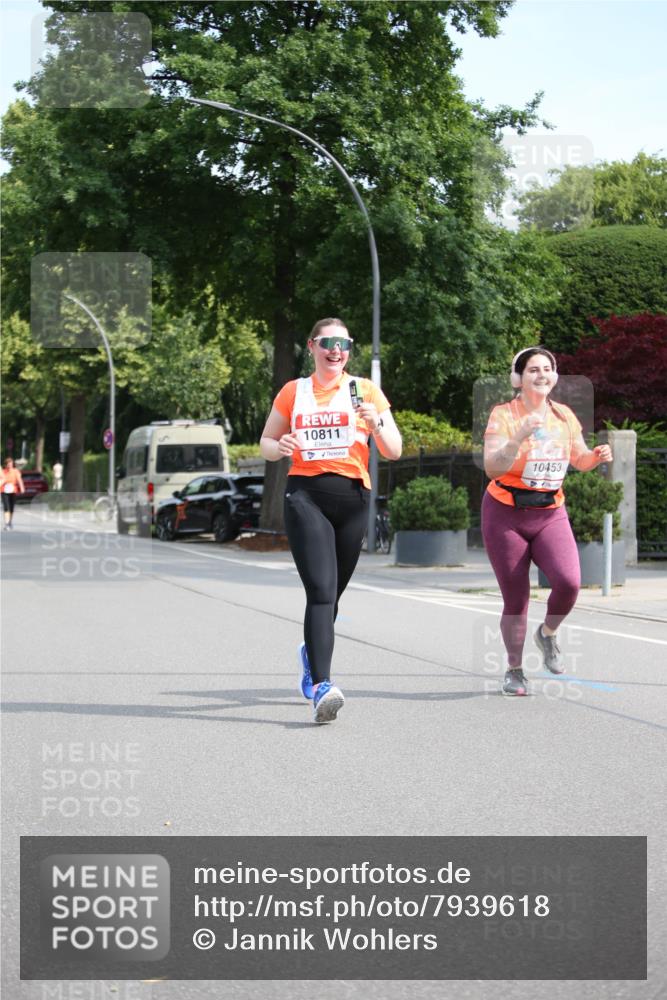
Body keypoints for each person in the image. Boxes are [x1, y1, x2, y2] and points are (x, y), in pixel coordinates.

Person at [260, 318, 402, 723]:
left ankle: (310, 652)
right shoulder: (294, 391)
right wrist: (279, 445)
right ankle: (323, 685)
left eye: (343, 344)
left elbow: (393, 449)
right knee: (321, 591)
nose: (336, 350)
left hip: (353, 499)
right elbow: (267, 442)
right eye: (328, 343)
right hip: (305, 495)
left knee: (333, 595)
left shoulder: (366, 392)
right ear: (312, 346)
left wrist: (376, 423)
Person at [482, 346, 613, 697]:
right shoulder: (504, 415)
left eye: (547, 369)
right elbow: (492, 468)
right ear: (519, 378)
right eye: (533, 370)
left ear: (554, 376)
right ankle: (514, 669)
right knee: (516, 597)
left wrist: (595, 457)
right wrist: (519, 435)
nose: (541, 375)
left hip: (550, 512)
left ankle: (548, 634)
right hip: (505, 512)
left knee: (570, 582)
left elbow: (579, 459)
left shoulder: (564, 416)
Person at [1, 457, 25, 530]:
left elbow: (19, 480)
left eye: (11, 464)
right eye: (8, 464)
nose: (9, 465)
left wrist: (22, 488)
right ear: (6, 465)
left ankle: (10, 522)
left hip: (13, 491)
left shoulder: (16, 471)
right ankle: (6, 523)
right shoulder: (3, 471)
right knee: (6, 507)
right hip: (4, 490)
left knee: (11, 508)